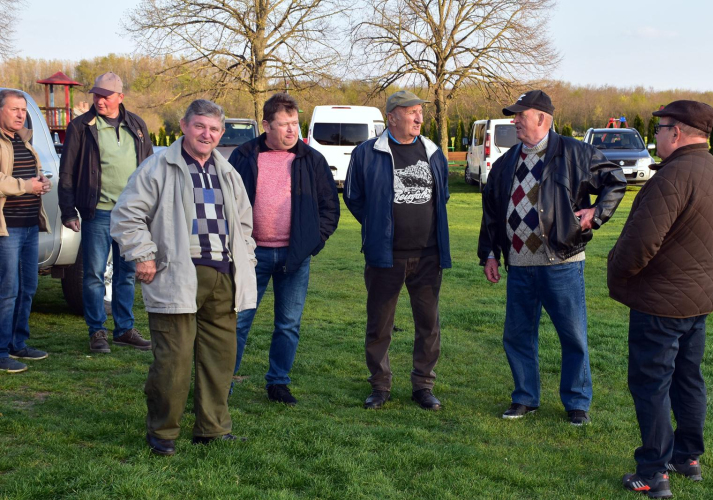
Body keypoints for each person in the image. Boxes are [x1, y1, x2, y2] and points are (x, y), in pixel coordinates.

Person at [111, 99, 257, 456]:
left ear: (222, 133)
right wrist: (143, 255)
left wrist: (247, 257)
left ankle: (212, 428)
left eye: (214, 129)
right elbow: (126, 215)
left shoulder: (227, 171)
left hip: (224, 277)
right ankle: (163, 432)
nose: (206, 134)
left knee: (219, 359)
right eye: (199, 126)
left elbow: (243, 223)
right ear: (184, 126)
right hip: (177, 274)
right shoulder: (158, 166)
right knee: (173, 361)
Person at [477, 90, 626, 425]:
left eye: (520, 115)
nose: (514, 121)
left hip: (561, 263)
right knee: (517, 335)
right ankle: (525, 398)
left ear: (541, 118)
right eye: (514, 115)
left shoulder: (574, 152)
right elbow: (491, 212)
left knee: (572, 335)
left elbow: (615, 180)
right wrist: (489, 253)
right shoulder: (505, 163)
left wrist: (595, 213)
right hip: (519, 267)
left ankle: (577, 403)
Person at [608, 101, 713, 497]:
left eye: (660, 128)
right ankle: (687, 457)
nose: (656, 134)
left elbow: (640, 244)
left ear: (677, 132)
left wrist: (618, 273)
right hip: (697, 299)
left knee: (652, 384)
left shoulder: (672, 177)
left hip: (661, 302)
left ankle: (654, 471)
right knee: (687, 378)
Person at [229, 93, 339, 406]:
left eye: (295, 123)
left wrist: (311, 243)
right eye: (284, 124)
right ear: (266, 125)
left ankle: (278, 383)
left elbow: (329, 206)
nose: (292, 130)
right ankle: (222, 385)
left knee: (288, 324)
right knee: (237, 323)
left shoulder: (311, 159)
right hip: (252, 255)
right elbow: (225, 202)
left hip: (295, 257)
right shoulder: (244, 155)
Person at [344, 90, 451, 411]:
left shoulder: (432, 151)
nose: (419, 118)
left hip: (428, 256)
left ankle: (423, 385)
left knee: (428, 324)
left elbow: (441, 195)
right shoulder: (367, 153)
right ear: (391, 117)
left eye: (420, 112)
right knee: (379, 324)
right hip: (385, 256)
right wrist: (379, 225)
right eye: (411, 112)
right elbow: (354, 197)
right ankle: (379, 386)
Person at [58, 72, 153, 353]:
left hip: (131, 215)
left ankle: (124, 330)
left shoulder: (137, 126)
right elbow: (67, 174)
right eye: (96, 95)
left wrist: (150, 209)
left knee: (125, 274)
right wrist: (68, 212)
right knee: (93, 274)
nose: (99, 100)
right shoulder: (80, 127)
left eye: (105, 96)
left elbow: (149, 170)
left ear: (120, 97)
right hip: (95, 212)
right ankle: (97, 331)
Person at [0, 89, 52, 374]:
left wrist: (42, 182)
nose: (21, 114)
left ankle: (18, 343)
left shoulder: (23, 141)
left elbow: (32, 174)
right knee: (7, 291)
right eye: (14, 109)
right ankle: (0, 350)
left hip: (31, 226)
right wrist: (25, 186)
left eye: (23, 110)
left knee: (28, 288)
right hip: (8, 230)